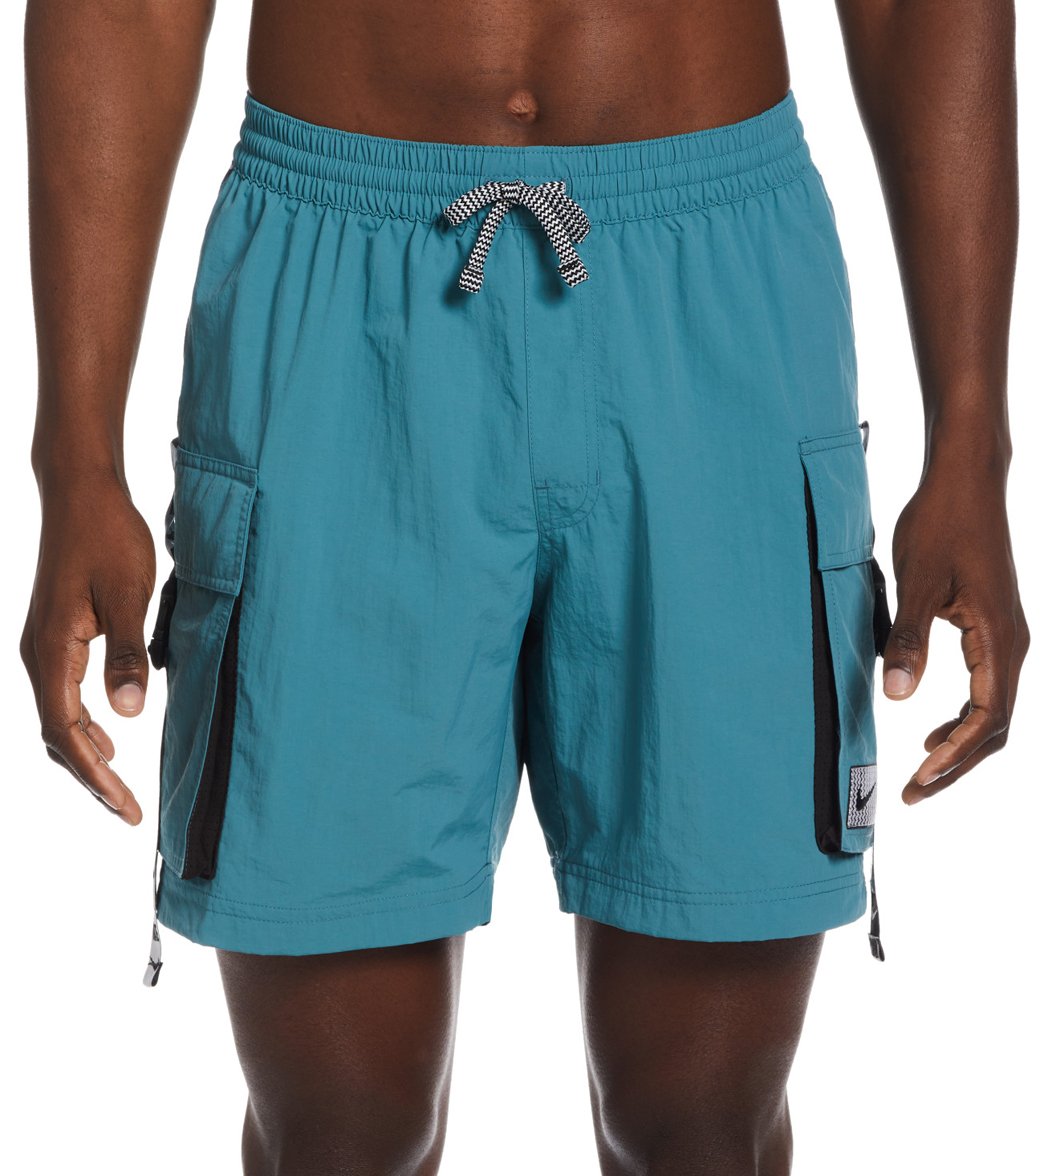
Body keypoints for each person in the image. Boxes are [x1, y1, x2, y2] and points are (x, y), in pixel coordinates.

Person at [20, 1, 1029, 1172]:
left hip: (710, 286)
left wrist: (973, 445)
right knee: (340, 1134)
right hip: (337, 283)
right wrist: (74, 463)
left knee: (699, 1127)